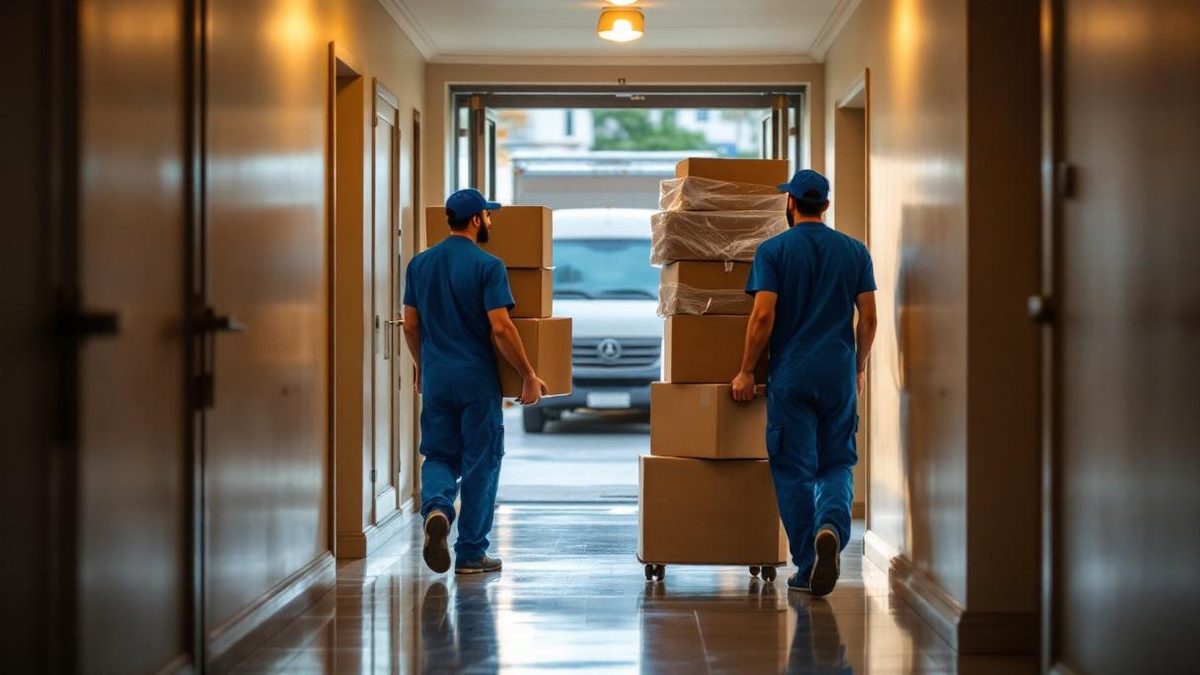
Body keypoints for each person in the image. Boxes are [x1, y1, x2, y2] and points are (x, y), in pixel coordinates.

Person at [731, 169, 877, 597]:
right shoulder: (854, 251)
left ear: (790, 203)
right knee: (836, 462)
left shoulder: (773, 250)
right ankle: (831, 526)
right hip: (838, 374)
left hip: (792, 374)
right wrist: (859, 366)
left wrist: (745, 370)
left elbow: (763, 316)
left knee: (793, 468)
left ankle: (809, 564)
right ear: (825, 206)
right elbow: (868, 317)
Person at [402, 188, 546, 575]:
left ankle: (437, 508)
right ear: (477, 219)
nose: (491, 221)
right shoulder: (488, 265)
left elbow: (410, 325)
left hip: (437, 377)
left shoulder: (419, 264)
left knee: (438, 455)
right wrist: (528, 375)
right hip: (476, 379)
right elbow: (501, 328)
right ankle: (469, 554)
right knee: (482, 462)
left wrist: (421, 366)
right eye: (488, 215)